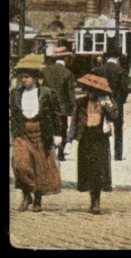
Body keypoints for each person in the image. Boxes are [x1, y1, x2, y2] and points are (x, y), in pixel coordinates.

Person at [9, 54, 63, 212]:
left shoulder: (46, 93)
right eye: (21, 77)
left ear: (34, 77)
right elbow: (13, 114)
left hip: (40, 132)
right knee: (20, 165)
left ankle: (37, 199)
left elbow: (55, 114)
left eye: (26, 77)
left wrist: (57, 134)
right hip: (22, 133)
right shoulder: (15, 94)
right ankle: (27, 194)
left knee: (39, 167)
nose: (23, 80)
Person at [69, 72, 117, 214]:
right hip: (85, 137)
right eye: (87, 90)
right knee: (87, 170)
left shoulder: (106, 100)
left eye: (93, 90)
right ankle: (92, 198)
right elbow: (74, 121)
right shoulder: (81, 102)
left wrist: (106, 105)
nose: (90, 93)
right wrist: (70, 139)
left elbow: (115, 115)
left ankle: (96, 201)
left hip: (100, 138)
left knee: (98, 170)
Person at [95, 46, 129, 160]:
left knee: (100, 127)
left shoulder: (99, 70)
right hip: (117, 103)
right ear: (117, 57)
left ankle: (102, 154)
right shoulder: (121, 71)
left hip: (101, 102)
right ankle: (118, 155)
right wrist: (121, 101)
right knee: (118, 128)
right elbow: (125, 89)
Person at [42, 47, 75, 160]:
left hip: (47, 105)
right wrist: (73, 108)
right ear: (65, 58)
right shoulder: (68, 73)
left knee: (48, 127)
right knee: (62, 128)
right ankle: (60, 153)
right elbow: (71, 93)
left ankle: (48, 152)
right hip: (62, 107)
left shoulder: (45, 70)